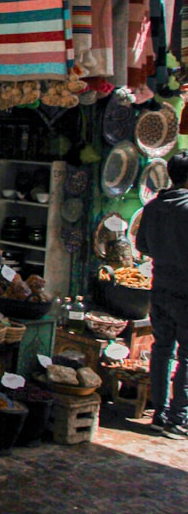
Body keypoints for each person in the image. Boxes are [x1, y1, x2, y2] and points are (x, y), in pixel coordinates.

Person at [137, 149, 188, 439]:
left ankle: (159, 413)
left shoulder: (154, 207)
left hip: (160, 287)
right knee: (186, 356)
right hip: (185, 291)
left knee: (161, 349)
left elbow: (142, 246)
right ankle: (178, 419)